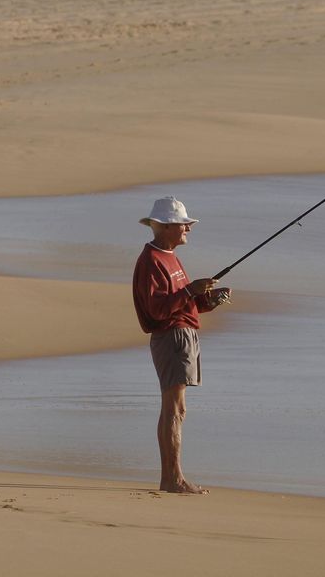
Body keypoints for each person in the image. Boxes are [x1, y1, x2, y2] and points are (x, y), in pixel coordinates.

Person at [132, 196, 231, 494]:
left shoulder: (170, 256)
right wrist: (190, 290)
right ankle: (172, 479)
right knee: (174, 408)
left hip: (182, 334)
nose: (188, 227)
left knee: (177, 409)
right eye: (182, 224)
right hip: (171, 337)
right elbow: (157, 311)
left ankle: (172, 477)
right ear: (162, 227)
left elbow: (182, 303)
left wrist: (207, 300)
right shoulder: (150, 260)